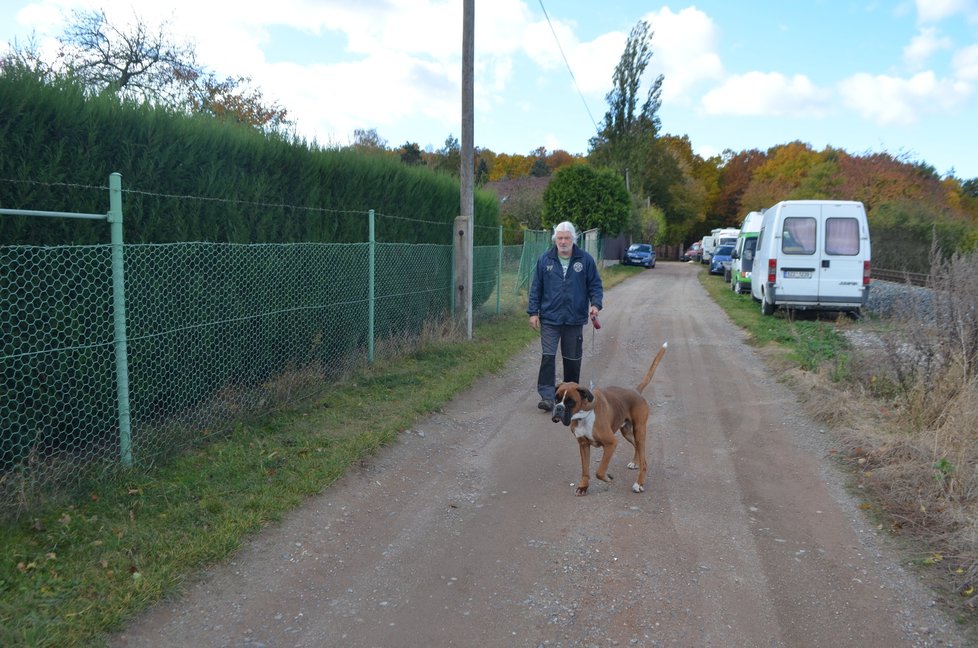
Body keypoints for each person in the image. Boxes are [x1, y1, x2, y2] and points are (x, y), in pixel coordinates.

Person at [527, 221, 603, 412]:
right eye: (559, 238)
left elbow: (595, 285)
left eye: (566, 238)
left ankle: (572, 396)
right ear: (555, 239)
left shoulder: (584, 260)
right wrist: (533, 313)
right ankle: (547, 396)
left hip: (574, 319)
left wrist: (595, 304)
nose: (563, 241)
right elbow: (536, 288)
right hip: (550, 319)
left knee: (572, 358)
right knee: (548, 357)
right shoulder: (545, 260)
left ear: (573, 239)